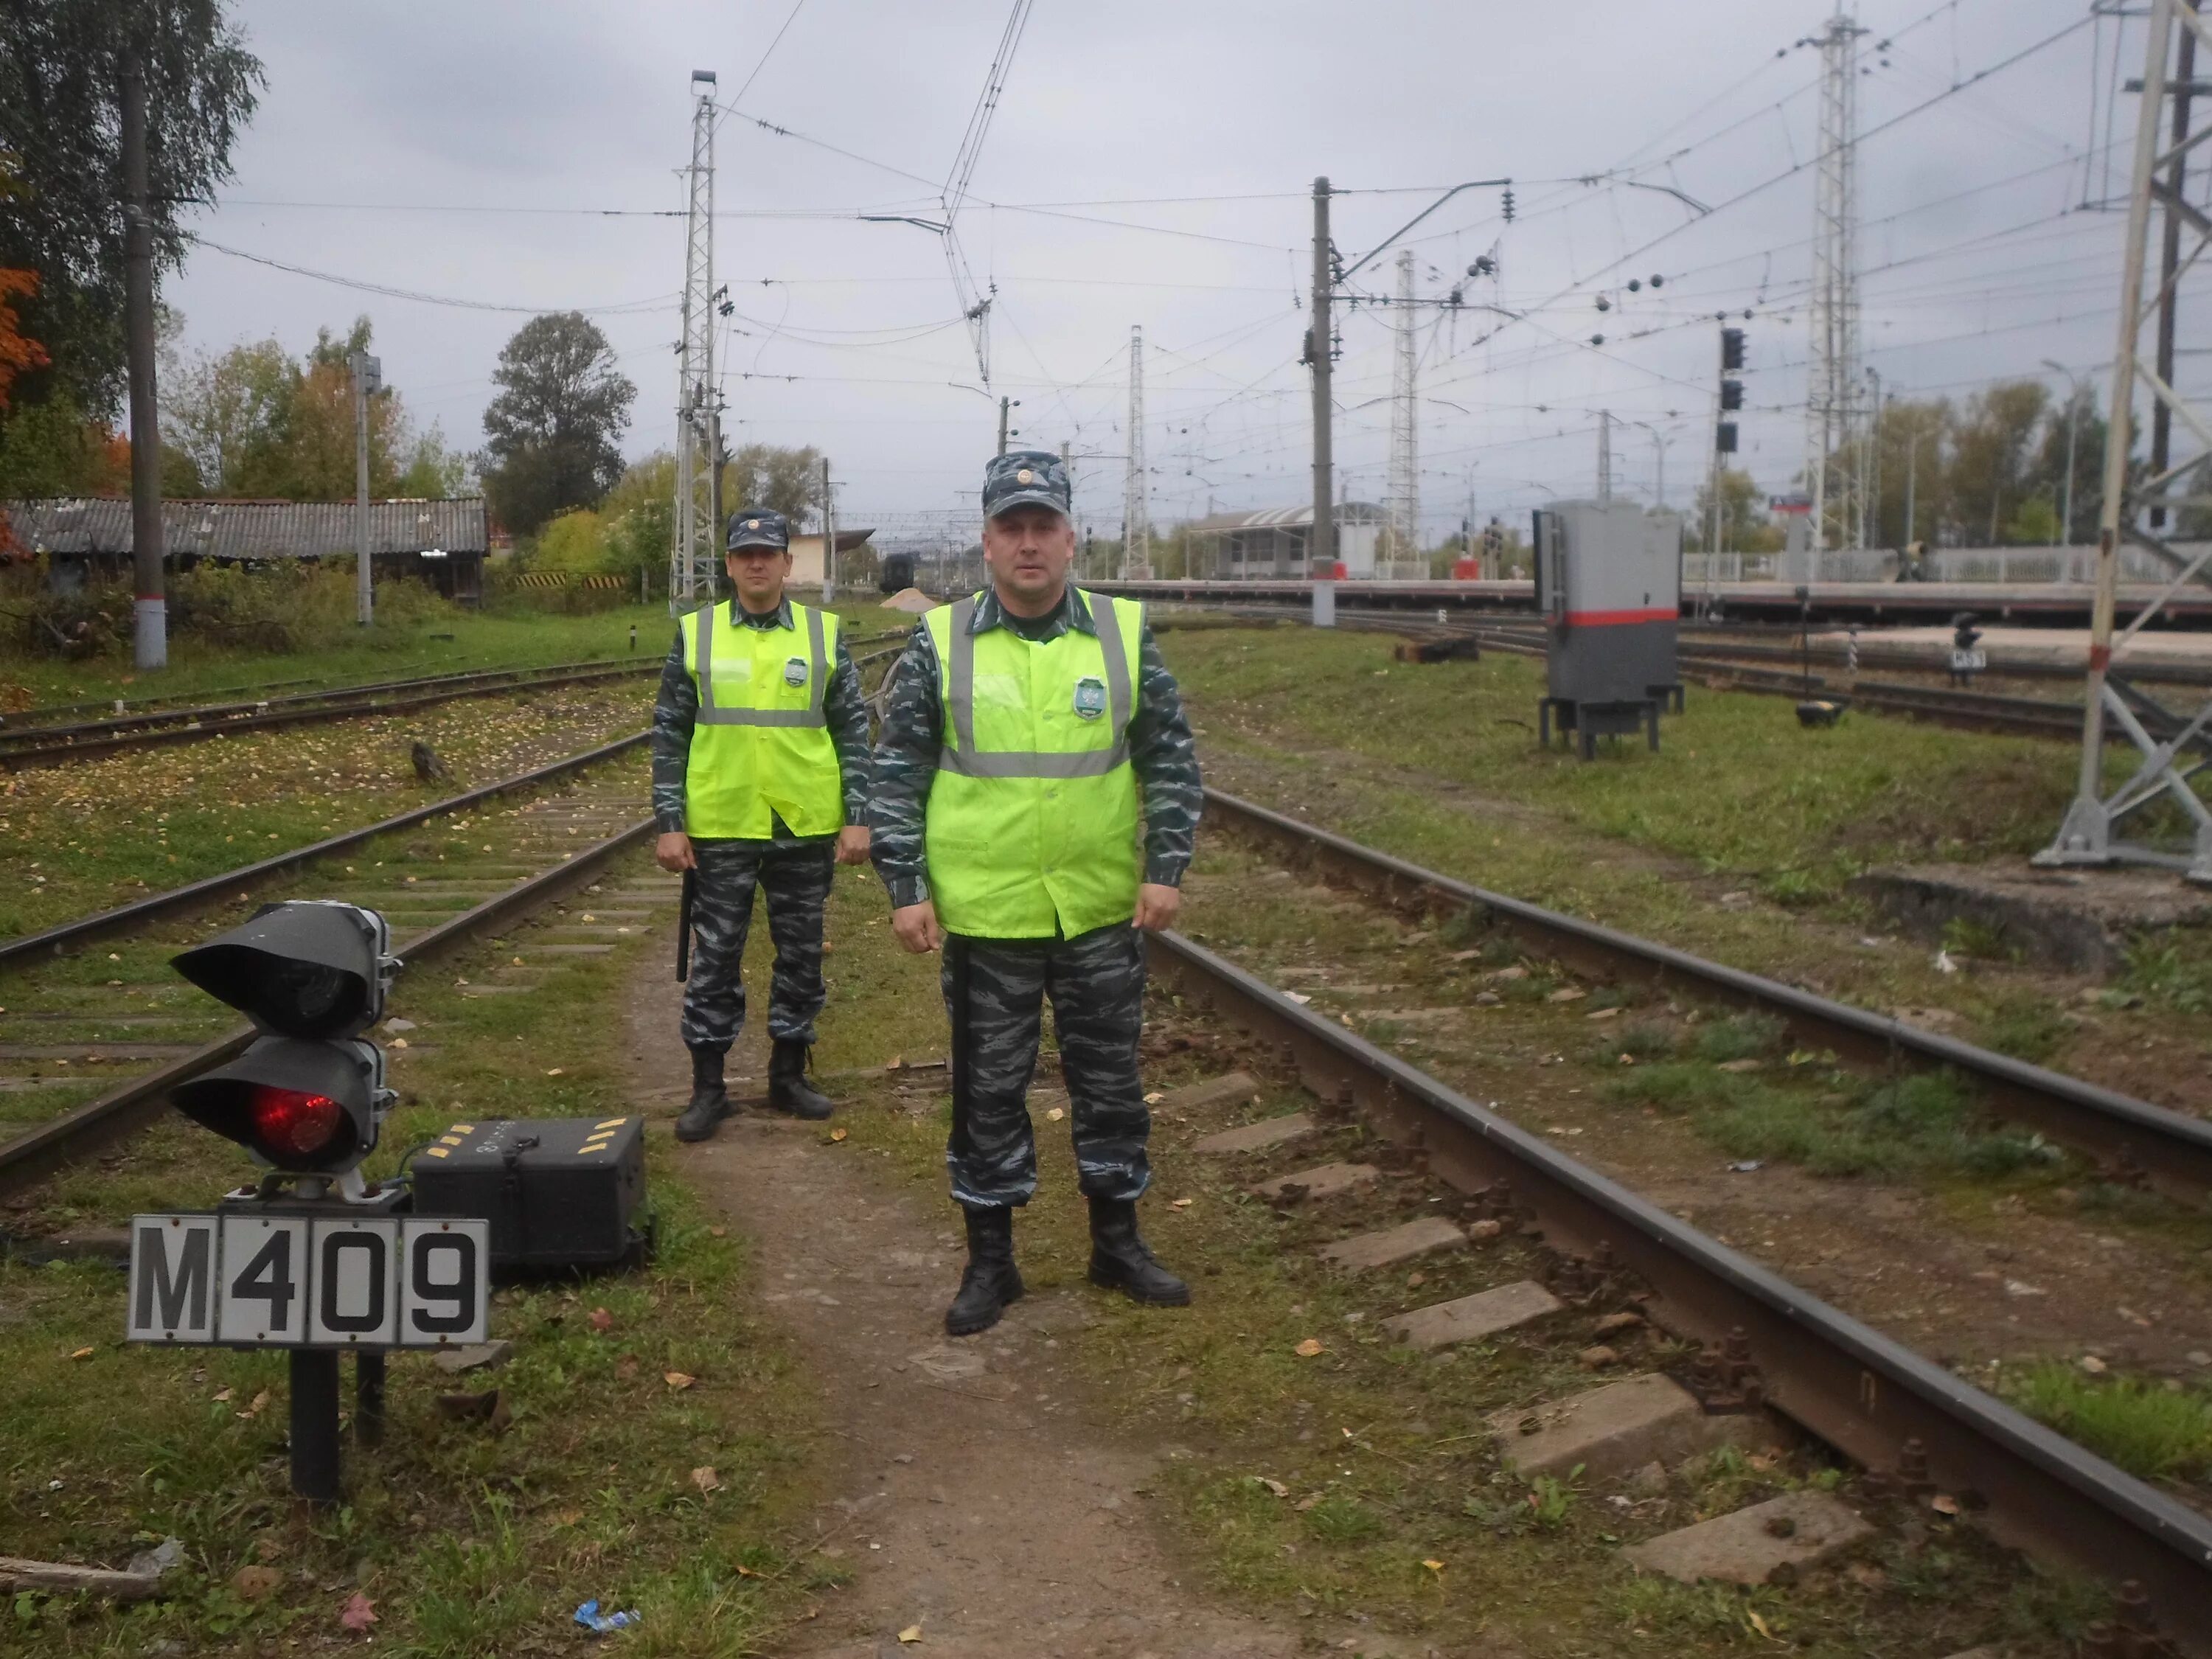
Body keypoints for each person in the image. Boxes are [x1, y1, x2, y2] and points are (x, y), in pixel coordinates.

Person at [869, 450, 1204, 1337]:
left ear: (1070, 537)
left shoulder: (1124, 636)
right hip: (986, 918)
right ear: (986, 543)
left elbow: (1170, 757)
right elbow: (894, 775)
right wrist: (905, 886)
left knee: (1111, 1083)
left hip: (1098, 911)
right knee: (987, 1092)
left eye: (1043, 527)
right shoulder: (939, 643)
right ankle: (992, 1262)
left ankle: (1118, 1243)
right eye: (1011, 528)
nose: (1029, 544)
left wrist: (1165, 867)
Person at [652, 508, 872, 1140]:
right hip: (721, 824)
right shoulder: (697, 634)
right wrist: (671, 821)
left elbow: (853, 728)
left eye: (767, 553)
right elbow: (669, 732)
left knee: (800, 956)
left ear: (785, 563)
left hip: (803, 823)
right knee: (715, 958)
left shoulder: (823, 634)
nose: (756, 563)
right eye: (744, 553)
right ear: (728, 564)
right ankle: (709, 1088)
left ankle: (788, 1074)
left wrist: (858, 816)